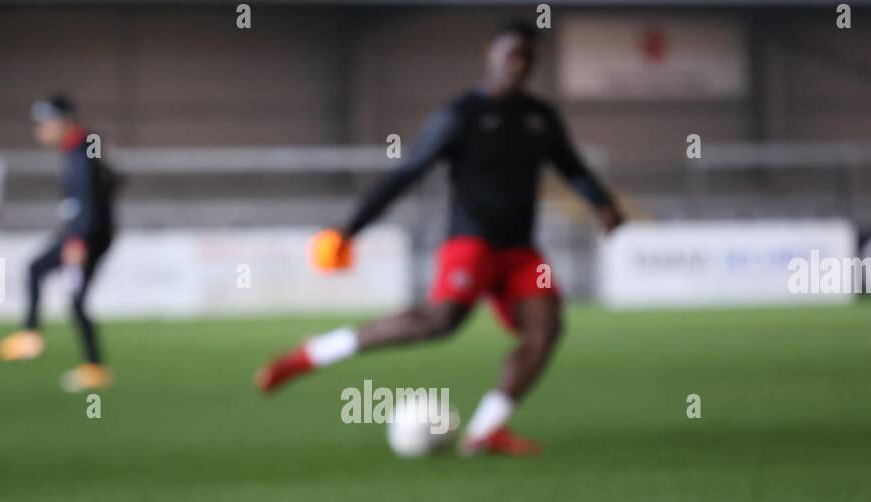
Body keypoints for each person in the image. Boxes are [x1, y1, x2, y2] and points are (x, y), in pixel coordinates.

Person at [255, 21, 622, 455]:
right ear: (491, 52)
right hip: (471, 245)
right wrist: (350, 230)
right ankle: (311, 354)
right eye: (511, 54)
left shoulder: (539, 118)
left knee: (547, 326)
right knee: (440, 321)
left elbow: (571, 165)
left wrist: (602, 203)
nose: (519, 64)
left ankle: (486, 429)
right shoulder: (460, 116)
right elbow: (406, 172)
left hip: (522, 253)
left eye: (527, 56)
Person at [0, 95, 116, 391]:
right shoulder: (83, 146)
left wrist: (78, 240)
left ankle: (89, 365)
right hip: (85, 231)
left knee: (70, 296)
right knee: (42, 274)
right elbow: (110, 182)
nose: (40, 129)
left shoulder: (82, 149)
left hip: (86, 235)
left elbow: (87, 197)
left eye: (45, 123)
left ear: (63, 122)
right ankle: (36, 338)